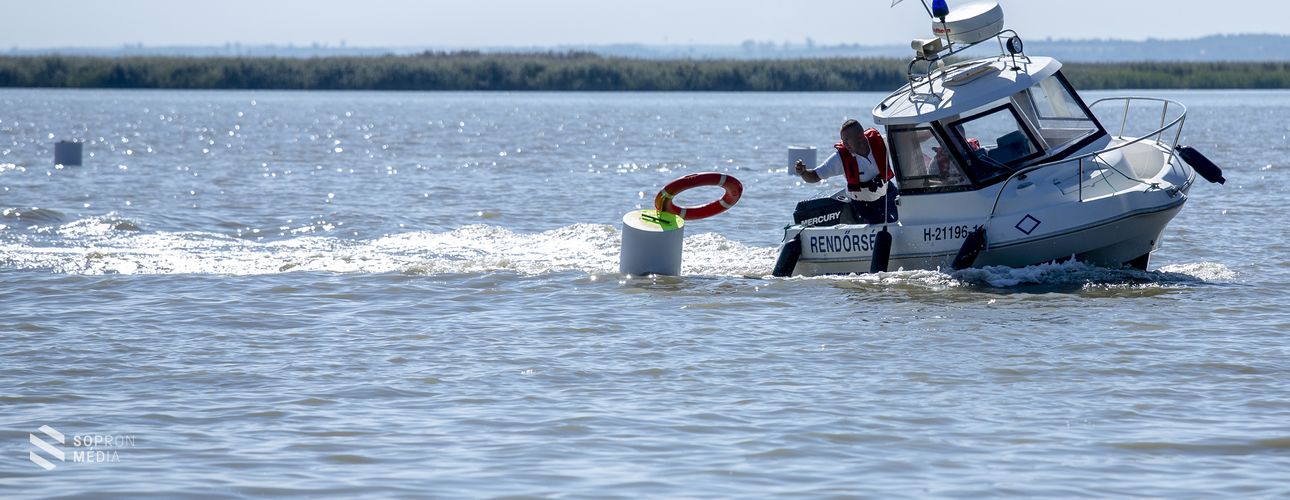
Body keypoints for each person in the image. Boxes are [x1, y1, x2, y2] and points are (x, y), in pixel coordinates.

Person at [795, 119, 898, 224]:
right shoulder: (840, 158)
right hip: (864, 204)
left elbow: (904, 141)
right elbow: (815, 176)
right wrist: (803, 172)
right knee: (888, 225)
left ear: (860, 136)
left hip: (888, 194)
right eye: (843, 140)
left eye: (847, 139)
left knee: (907, 217)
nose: (844, 144)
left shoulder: (881, 143)